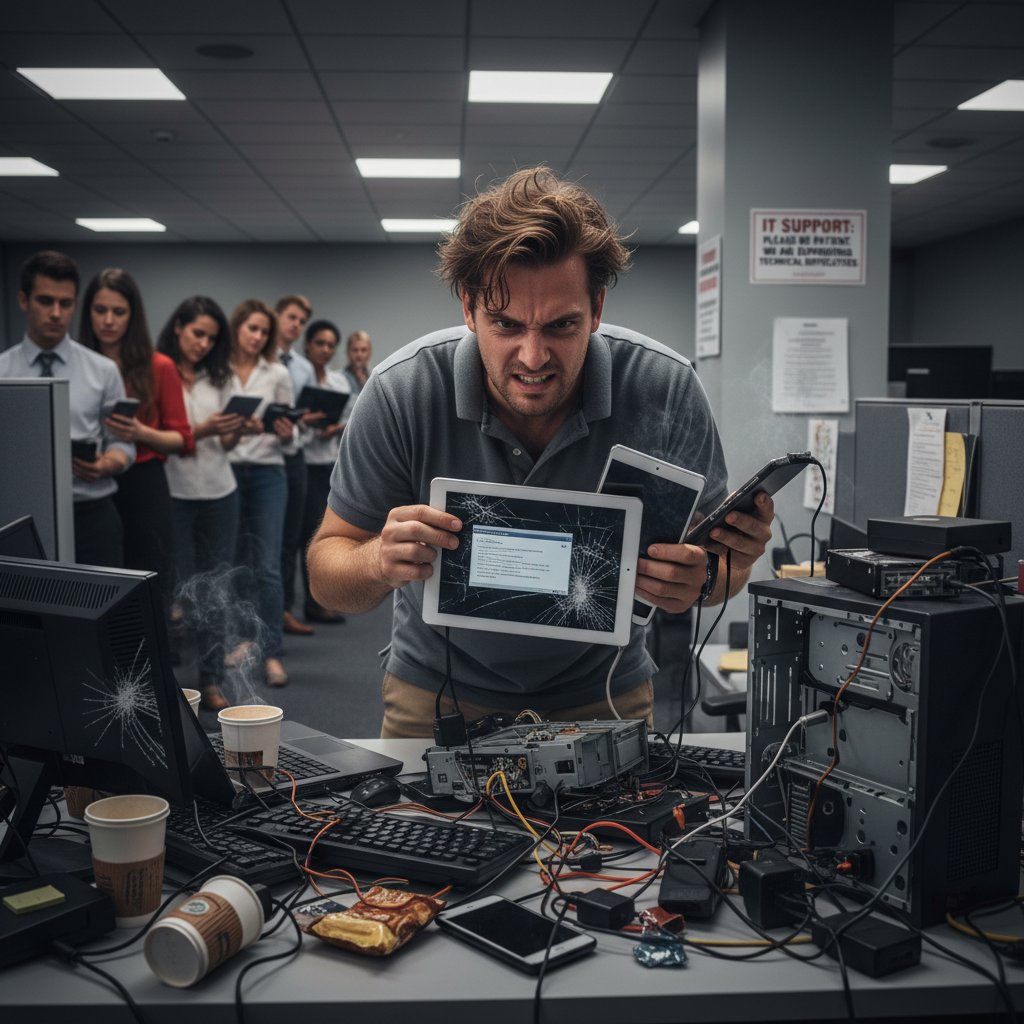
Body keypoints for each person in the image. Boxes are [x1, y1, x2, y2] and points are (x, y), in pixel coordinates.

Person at [308, 167, 774, 739]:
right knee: (419, 832)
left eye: (561, 325)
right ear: (468, 309)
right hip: (438, 697)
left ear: (597, 308)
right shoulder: (402, 391)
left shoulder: (666, 387)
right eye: (505, 324)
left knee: (616, 832)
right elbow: (325, 576)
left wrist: (712, 576)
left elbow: (723, 571)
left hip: (604, 697)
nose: (532, 357)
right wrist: (377, 559)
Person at [0, 251, 135, 567]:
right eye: (45, 301)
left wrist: (109, 463)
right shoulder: (3, 372)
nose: (56, 313)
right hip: (21, 516)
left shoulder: (103, 370)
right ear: (23, 300)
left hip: (91, 511)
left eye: (66, 303)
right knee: (26, 610)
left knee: (99, 610)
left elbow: (122, 442)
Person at [79, 268, 195, 619]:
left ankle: (152, 664)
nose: (109, 321)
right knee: (96, 584)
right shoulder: (78, 364)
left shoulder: (159, 366)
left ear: (133, 315)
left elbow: (182, 439)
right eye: (100, 311)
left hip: (143, 480)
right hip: (88, 480)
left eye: (119, 312)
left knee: (147, 578)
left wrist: (139, 432)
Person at [158, 296, 245, 711]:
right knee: (174, 590)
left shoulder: (219, 375)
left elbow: (228, 443)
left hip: (219, 493)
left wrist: (232, 427)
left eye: (211, 338)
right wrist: (203, 428)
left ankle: (211, 681)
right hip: (172, 494)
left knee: (215, 589)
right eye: (197, 334)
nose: (204, 344)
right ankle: (170, 685)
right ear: (178, 328)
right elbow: (159, 436)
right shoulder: (158, 371)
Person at [228, 299, 294, 688]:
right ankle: (241, 641)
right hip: (229, 470)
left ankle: (272, 654)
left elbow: (289, 435)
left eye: (264, 331)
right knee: (235, 561)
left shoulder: (278, 373)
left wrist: (288, 432)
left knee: (268, 565)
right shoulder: (217, 373)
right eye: (252, 328)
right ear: (237, 327)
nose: (257, 336)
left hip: (269, 470)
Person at [298, 319, 351, 624]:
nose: (326, 350)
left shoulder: (338, 382)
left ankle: (316, 601)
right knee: (302, 535)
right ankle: (303, 602)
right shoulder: (299, 380)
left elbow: (348, 419)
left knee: (322, 530)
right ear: (308, 345)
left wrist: (335, 427)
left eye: (331, 345)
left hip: (329, 464)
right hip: (304, 460)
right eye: (320, 343)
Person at [275, 294, 319, 638]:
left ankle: (285, 608)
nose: (295, 325)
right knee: (263, 543)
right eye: (291, 317)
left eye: (301, 321)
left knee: (292, 537)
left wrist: (310, 419)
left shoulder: (303, 368)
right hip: (258, 457)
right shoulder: (256, 362)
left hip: (295, 455)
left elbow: (304, 415)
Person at [342, 329, 372, 397]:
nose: (359, 354)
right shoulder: (339, 378)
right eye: (355, 350)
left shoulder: (374, 377)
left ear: (370, 352)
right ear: (348, 352)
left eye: (363, 350)